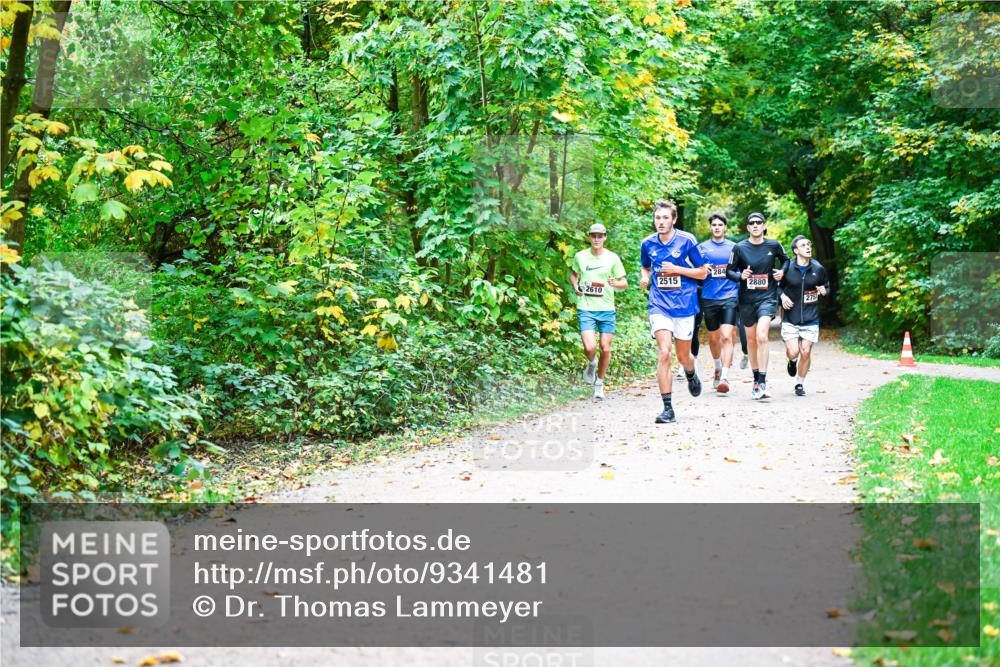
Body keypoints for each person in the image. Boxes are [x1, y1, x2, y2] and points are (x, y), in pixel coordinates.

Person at [640, 200, 709, 423]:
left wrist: (677, 269)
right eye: (657, 218)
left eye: (665, 218)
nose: (661, 222)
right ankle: (668, 408)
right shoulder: (647, 243)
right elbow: (645, 266)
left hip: (684, 305)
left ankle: (690, 372)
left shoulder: (687, 241)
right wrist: (644, 277)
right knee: (664, 352)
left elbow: (703, 272)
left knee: (683, 356)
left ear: (674, 219)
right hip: (659, 304)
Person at [726, 212, 788, 400]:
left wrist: (781, 272)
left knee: (762, 335)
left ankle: (762, 380)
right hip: (747, 299)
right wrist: (740, 276)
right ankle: (755, 379)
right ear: (748, 227)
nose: (755, 225)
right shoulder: (739, 248)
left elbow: (786, 260)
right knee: (751, 340)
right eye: (751, 223)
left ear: (764, 226)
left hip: (767, 297)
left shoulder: (774, 245)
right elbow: (729, 271)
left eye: (758, 222)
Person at [570, 222, 628, 401]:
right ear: (589, 237)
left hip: (606, 309)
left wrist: (614, 283)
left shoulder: (612, 258)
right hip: (586, 307)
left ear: (605, 237)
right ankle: (592, 363)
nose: (596, 239)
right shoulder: (580, 256)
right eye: (593, 236)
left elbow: (624, 283)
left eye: (600, 236)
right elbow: (573, 274)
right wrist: (575, 286)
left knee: (605, 347)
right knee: (590, 347)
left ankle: (599, 384)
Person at [779, 235, 831, 396]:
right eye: (803, 245)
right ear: (796, 251)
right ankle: (792, 361)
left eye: (809, 244)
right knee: (794, 352)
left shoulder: (818, 268)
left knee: (806, 351)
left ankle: (799, 384)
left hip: (811, 318)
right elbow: (776, 287)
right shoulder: (787, 268)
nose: (808, 247)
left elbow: (827, 286)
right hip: (790, 317)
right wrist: (782, 296)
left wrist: (824, 291)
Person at [697, 213, 740, 393]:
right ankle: (717, 367)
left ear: (725, 228)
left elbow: (741, 270)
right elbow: (694, 270)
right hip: (709, 297)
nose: (717, 227)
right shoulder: (702, 248)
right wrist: (701, 268)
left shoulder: (734, 248)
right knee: (714, 338)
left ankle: (725, 377)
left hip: (730, 296)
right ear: (710, 228)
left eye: (720, 225)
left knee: (727, 336)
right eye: (714, 225)